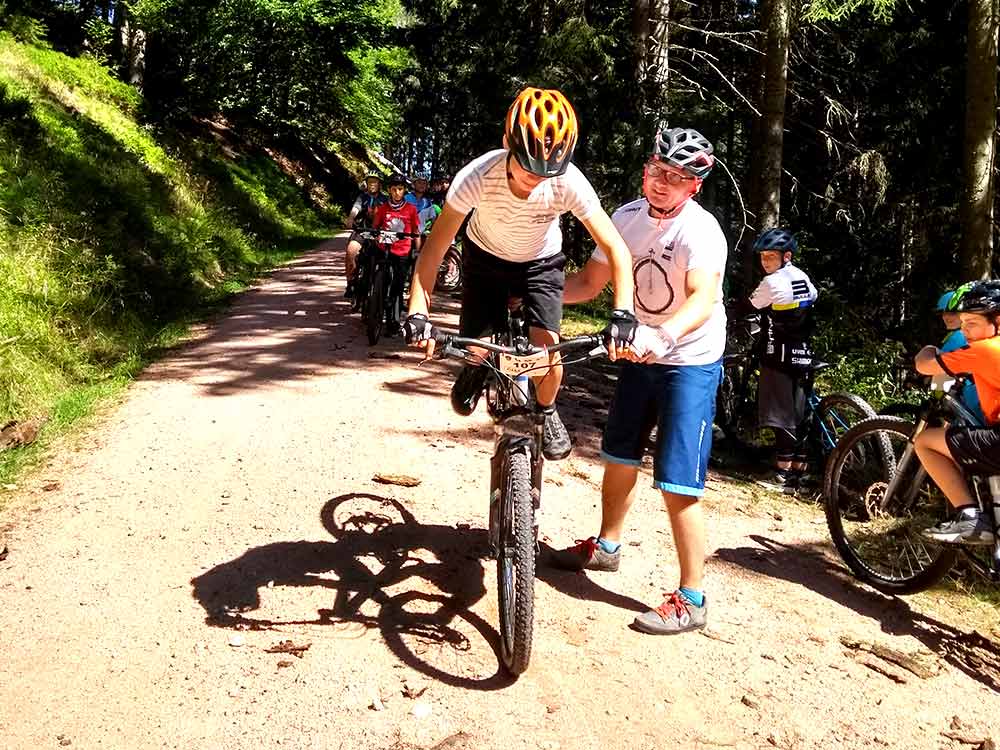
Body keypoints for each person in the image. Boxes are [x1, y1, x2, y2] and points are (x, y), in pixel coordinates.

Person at [549, 126, 728, 636]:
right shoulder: (624, 219)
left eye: (676, 177)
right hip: (640, 354)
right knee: (619, 455)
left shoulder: (701, 230)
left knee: (677, 480)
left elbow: (702, 299)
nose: (661, 184)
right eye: (656, 171)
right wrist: (533, 293)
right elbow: (588, 282)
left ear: (694, 185)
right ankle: (607, 547)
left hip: (687, 360)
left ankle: (692, 596)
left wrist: (664, 336)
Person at [404, 87, 638, 462]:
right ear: (506, 145)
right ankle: (475, 368)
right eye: (527, 168)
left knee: (549, 356)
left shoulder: (569, 182)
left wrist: (623, 314)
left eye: (547, 172)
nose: (536, 179)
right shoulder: (476, 177)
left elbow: (616, 250)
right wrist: (418, 312)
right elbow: (433, 250)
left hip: (540, 263)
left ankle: (547, 410)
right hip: (484, 258)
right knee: (477, 347)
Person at [914, 279, 1000, 545]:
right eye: (962, 324)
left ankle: (971, 515)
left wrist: (928, 350)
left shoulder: (984, 349)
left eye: (971, 324)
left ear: (997, 320)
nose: (966, 331)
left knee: (925, 442)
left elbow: (926, 366)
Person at [746, 228, 819, 495]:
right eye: (763, 257)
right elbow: (813, 297)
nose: (765, 262)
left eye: (771, 257)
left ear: (786, 256)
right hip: (803, 352)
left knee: (781, 414)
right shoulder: (802, 276)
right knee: (800, 413)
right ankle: (800, 471)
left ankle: (781, 475)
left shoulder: (771, 282)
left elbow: (750, 305)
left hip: (778, 354)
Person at [936, 283, 984, 424]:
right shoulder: (968, 334)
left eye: (952, 312)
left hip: (974, 402)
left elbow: (938, 367)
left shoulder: (958, 336)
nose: (945, 316)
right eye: (942, 312)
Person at [344, 174, 386, 298]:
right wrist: (351, 218)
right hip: (363, 229)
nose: (372, 184)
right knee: (351, 251)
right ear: (366, 184)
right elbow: (355, 208)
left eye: (375, 182)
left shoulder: (385, 199)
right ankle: (351, 281)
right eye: (370, 182)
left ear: (380, 184)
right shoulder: (362, 197)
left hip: (379, 232)